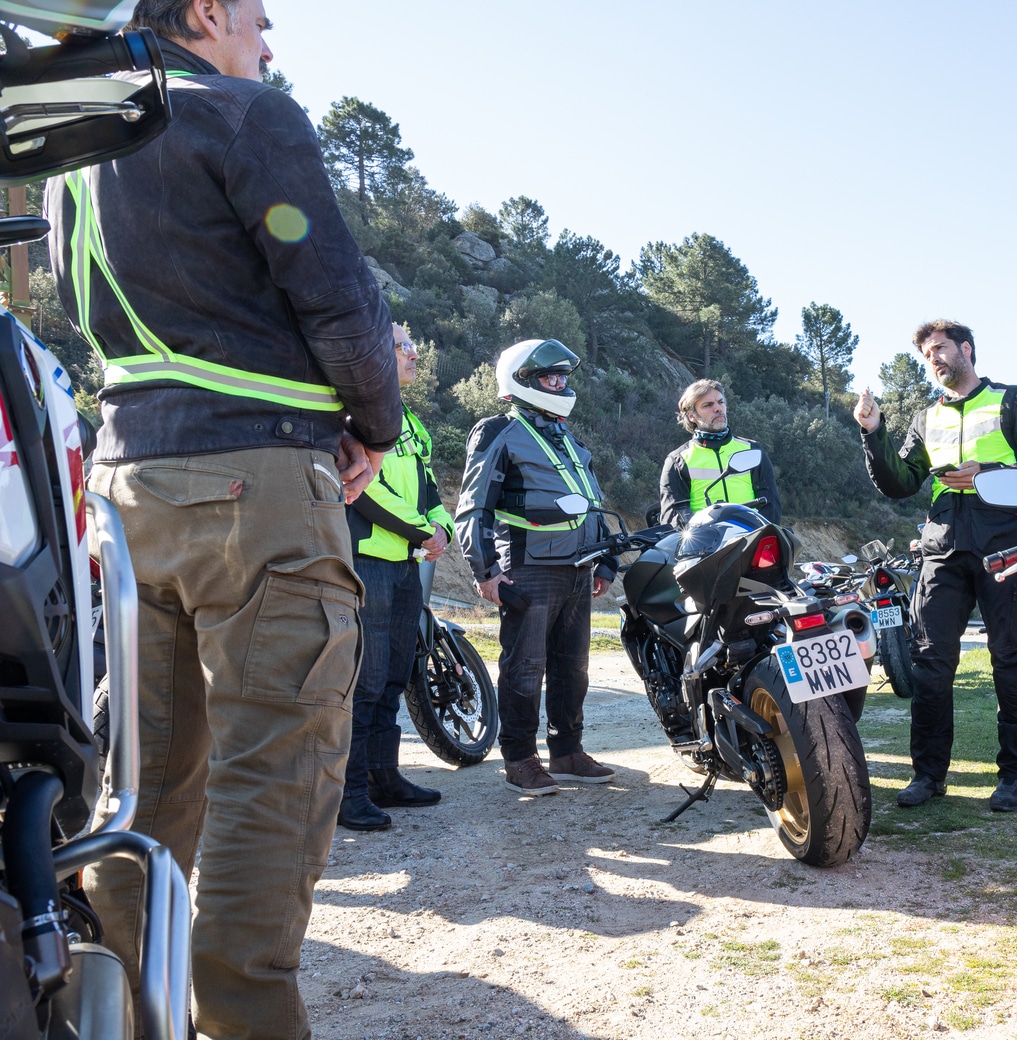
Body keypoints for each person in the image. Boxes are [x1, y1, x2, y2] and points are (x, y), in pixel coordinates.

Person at [45, 0, 402, 1033]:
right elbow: (338, 297)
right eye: (256, 14)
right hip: (254, 487)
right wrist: (374, 423)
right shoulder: (242, 113)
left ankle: (119, 1004)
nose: (269, 38)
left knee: (145, 783)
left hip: (126, 493)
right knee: (273, 769)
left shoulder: (76, 153)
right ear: (203, 9)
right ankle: (246, 1018)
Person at [854, 320, 1017, 812]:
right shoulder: (926, 417)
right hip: (943, 546)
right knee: (929, 665)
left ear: (966, 349)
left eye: (941, 349)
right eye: (928, 354)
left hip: (1009, 544)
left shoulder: (1016, 400)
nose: (934, 360)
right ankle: (929, 776)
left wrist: (988, 474)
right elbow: (901, 482)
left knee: (1012, 660)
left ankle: (1015, 778)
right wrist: (873, 433)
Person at [455, 339, 618, 796]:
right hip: (529, 566)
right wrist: (485, 571)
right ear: (522, 379)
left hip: (579, 568)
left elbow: (592, 504)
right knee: (525, 667)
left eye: (563, 376)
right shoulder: (497, 431)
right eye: (551, 377)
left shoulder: (568, 437)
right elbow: (473, 508)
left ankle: (567, 753)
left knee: (574, 668)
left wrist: (606, 558)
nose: (560, 384)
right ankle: (520, 759)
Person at [339, 324, 454, 831]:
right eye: (404, 346)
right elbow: (359, 490)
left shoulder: (407, 420)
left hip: (405, 562)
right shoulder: (347, 415)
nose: (414, 354)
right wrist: (419, 531)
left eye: (413, 345)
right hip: (364, 560)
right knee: (363, 680)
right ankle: (348, 793)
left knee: (395, 674)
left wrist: (441, 528)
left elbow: (427, 485)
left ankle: (386, 777)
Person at [659, 378, 783, 527]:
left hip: (751, 539)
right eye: (708, 405)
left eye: (720, 402)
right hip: (705, 545)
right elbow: (674, 515)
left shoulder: (752, 450)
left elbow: (771, 503)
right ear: (692, 416)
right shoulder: (677, 460)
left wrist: (760, 536)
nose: (718, 408)